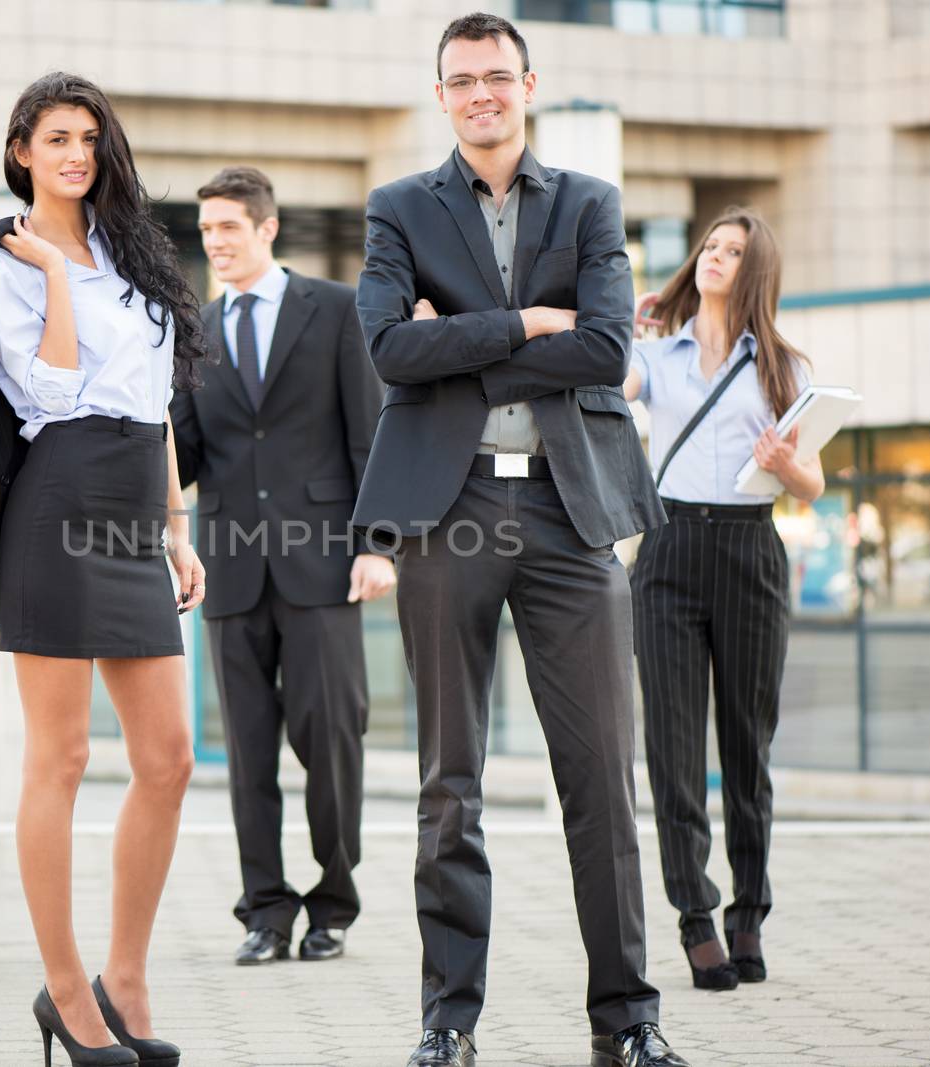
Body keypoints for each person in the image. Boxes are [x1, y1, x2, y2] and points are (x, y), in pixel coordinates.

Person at [353, 13, 690, 1067]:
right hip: (444, 510)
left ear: (529, 85)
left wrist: (461, 345)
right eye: (462, 80)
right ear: (442, 95)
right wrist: (523, 326)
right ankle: (446, 1024)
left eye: (498, 76)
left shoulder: (587, 202)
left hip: (566, 508)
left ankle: (627, 1021)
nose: (481, 94)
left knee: (600, 774)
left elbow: (601, 346)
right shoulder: (398, 207)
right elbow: (385, 351)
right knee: (447, 783)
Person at [0, 72, 205, 1067]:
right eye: (55, 137)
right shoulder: (3, 260)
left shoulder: (134, 251)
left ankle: (123, 978)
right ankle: (63, 988)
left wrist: (177, 526)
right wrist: (51, 274)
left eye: (89, 137)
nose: (76, 153)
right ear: (20, 151)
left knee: (168, 756)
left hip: (140, 500)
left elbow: (159, 399)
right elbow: (45, 387)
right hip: (59, 498)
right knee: (62, 757)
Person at [171, 166, 390, 967]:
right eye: (206, 232)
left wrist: (379, 542)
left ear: (266, 228)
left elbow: (369, 432)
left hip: (325, 562)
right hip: (229, 569)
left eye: (228, 227)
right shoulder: (194, 329)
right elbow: (184, 449)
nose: (216, 244)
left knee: (334, 739)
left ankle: (333, 901)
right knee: (248, 752)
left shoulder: (334, 309)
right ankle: (265, 909)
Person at [624, 207, 823, 992]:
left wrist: (787, 462)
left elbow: (812, 484)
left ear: (756, 268)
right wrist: (621, 320)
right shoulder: (656, 355)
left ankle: (749, 914)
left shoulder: (785, 369)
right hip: (668, 549)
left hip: (751, 550)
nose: (715, 257)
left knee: (747, 748)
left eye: (733, 250)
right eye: (710, 245)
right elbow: (612, 381)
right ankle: (695, 918)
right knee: (674, 753)